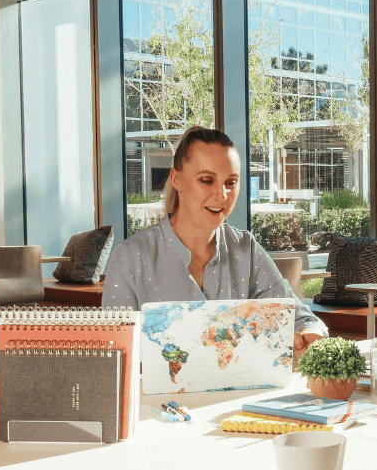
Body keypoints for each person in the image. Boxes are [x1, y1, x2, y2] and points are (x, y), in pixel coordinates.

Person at [103, 126, 327, 356]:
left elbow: (301, 319)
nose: (222, 196)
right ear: (176, 179)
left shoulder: (246, 249)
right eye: (207, 180)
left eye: (230, 182)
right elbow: (115, 357)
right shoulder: (130, 256)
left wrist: (310, 333)